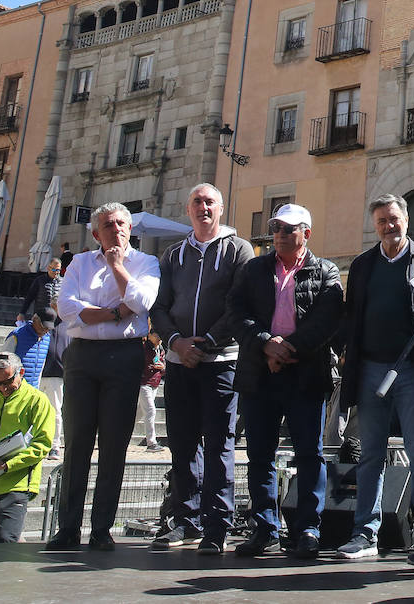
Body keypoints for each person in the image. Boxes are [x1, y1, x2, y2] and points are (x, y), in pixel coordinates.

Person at [227, 203, 343, 559]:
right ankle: (264, 528)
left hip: (305, 375)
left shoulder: (326, 271)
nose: (279, 234)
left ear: (306, 234)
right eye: (276, 227)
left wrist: (287, 349)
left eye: (288, 229)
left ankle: (308, 527)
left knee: (310, 454)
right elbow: (236, 313)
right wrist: (267, 344)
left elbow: (328, 319)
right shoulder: (253, 269)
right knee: (260, 455)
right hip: (259, 375)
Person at [336, 194, 414, 563]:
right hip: (370, 370)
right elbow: (352, 317)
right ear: (375, 224)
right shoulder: (363, 265)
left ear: (407, 220)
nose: (389, 226)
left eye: (394, 219)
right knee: (370, 454)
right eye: (382, 220)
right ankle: (364, 534)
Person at [45, 202, 161, 552]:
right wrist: (114, 311)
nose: (117, 230)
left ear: (131, 228)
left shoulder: (146, 263)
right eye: (109, 225)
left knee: (114, 446)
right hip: (82, 358)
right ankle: (67, 528)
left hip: (124, 356)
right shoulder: (79, 263)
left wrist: (116, 266)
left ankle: (101, 529)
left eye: (123, 223)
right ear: (96, 233)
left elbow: (142, 303)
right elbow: (67, 311)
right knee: (77, 444)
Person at [149, 183, 252, 554]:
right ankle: (186, 519)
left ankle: (217, 525)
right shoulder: (172, 254)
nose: (203, 207)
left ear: (220, 209)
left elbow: (239, 306)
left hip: (222, 363)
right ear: (188, 209)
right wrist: (176, 342)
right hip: (178, 362)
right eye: (197, 202)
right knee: (181, 444)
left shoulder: (239, 249)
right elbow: (158, 307)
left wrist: (206, 342)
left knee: (219, 444)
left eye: (210, 202)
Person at [0, 354, 54, 542]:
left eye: (8, 382)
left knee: (6, 540)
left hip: (16, 484)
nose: (3, 388)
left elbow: (42, 445)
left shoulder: (37, 400)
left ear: (21, 372)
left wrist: (6, 465)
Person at [39, 316, 69, 459]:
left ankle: (54, 445)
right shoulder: (44, 323)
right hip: (38, 372)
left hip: (57, 374)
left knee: (56, 410)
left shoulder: (68, 324)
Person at [3, 307, 55, 388]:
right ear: (35, 319)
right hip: (14, 388)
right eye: (43, 326)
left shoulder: (47, 338)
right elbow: (3, 362)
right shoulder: (17, 335)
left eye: (48, 328)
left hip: (33, 390)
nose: (45, 330)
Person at [137, 332, 166, 452]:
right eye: (157, 335)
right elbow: (139, 364)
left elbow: (163, 365)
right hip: (144, 383)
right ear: (151, 335)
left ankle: (115, 434)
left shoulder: (160, 349)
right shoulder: (144, 348)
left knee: (139, 414)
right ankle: (151, 443)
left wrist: (162, 367)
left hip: (155, 383)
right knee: (150, 411)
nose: (159, 338)